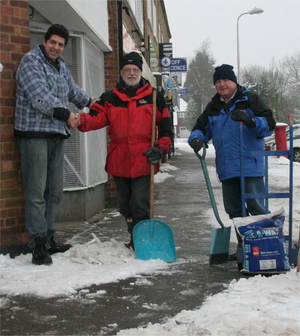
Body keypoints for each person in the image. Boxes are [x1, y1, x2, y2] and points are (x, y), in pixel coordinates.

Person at [70, 52, 173, 249]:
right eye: (127, 70)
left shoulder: (154, 97)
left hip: (145, 159)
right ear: (121, 72)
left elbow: (166, 129)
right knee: (125, 205)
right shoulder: (109, 98)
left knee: (141, 203)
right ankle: (134, 235)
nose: (131, 73)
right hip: (120, 159)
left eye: (135, 70)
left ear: (140, 72)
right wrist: (80, 119)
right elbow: (95, 119)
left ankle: (142, 242)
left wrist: (160, 149)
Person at [14, 24, 97, 265]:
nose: (56, 47)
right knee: (36, 192)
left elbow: (74, 93)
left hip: (56, 135)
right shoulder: (31, 62)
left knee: (55, 192)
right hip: (34, 135)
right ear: (45, 41)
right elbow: (40, 97)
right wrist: (67, 115)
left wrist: (94, 102)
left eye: (61, 45)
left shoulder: (62, 67)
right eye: (53, 42)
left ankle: (49, 238)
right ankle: (38, 244)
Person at [188, 64, 276, 257]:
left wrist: (251, 121)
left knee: (256, 208)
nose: (222, 84)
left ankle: (266, 247)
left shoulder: (250, 99)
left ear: (234, 81)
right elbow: (201, 128)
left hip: (250, 166)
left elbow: (270, 124)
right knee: (234, 210)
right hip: (227, 168)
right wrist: (196, 138)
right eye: (218, 81)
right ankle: (244, 247)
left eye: (225, 80)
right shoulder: (213, 106)